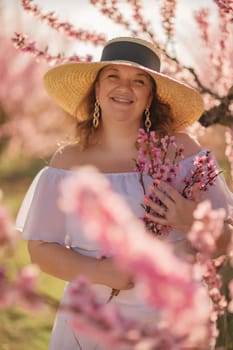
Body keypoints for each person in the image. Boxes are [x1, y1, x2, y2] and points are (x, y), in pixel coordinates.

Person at [16, 37, 233, 350]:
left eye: (139, 81)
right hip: (93, 322)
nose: (124, 87)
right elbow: (41, 250)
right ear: (97, 89)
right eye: (113, 76)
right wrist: (100, 272)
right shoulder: (68, 163)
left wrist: (194, 221)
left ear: (150, 97)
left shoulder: (183, 153)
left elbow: (226, 241)